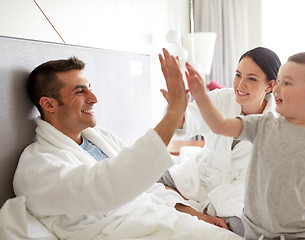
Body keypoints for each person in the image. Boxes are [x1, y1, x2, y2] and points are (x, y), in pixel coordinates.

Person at [13, 49, 241, 239]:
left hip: (159, 217)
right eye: (79, 91)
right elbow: (106, 187)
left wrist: (194, 214)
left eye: (89, 87)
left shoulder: (101, 138)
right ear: (49, 104)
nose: (93, 98)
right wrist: (172, 115)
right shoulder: (38, 167)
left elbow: (147, 185)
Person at [185, 51, 305, 239]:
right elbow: (220, 125)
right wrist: (201, 96)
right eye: (279, 81)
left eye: (287, 83)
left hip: (302, 233)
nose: (276, 88)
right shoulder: (263, 124)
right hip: (257, 231)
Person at [158, 47, 281, 235]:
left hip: (241, 189)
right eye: (238, 75)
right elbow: (190, 119)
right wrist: (177, 108)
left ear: (270, 86)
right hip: (205, 174)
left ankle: (200, 211)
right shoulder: (223, 97)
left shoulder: (277, 122)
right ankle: (202, 216)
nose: (240, 84)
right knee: (151, 178)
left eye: (251, 79)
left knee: (247, 230)